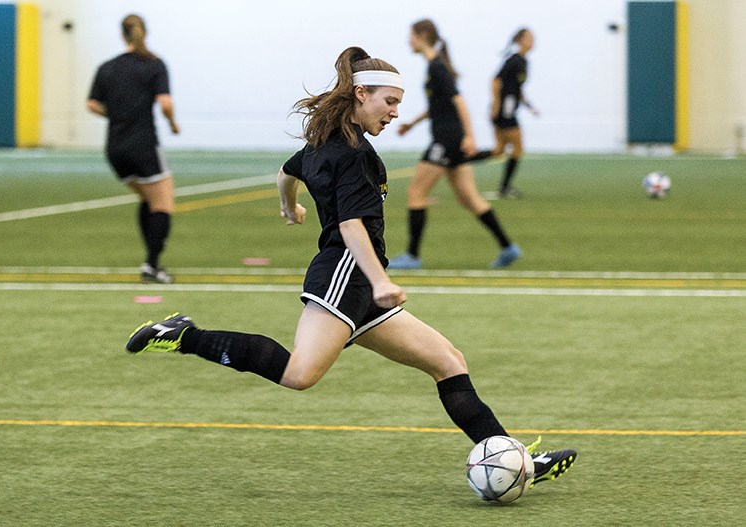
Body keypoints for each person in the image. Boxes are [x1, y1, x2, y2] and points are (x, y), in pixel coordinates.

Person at [125, 46, 576, 490]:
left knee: (447, 361)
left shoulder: (327, 142)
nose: (396, 113)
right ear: (361, 95)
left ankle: (514, 459)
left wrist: (290, 206)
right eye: (390, 102)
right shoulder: (354, 154)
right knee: (300, 373)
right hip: (346, 271)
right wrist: (381, 280)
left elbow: (286, 171)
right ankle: (184, 335)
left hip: (358, 278)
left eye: (399, 104)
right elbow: (350, 223)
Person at [386, 19, 520, 270]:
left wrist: (469, 136)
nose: (408, 41)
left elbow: (459, 102)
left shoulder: (437, 66)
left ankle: (412, 256)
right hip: (450, 138)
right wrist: (413, 123)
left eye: (411, 36)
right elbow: (439, 106)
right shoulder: (435, 66)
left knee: (416, 193)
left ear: (422, 35)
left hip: (446, 140)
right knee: (469, 198)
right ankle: (508, 247)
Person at [86, 14, 179, 284]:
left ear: (122, 35)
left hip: (115, 148)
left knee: (148, 200)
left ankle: (151, 261)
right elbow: (165, 103)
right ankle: (152, 265)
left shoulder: (107, 67)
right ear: (144, 32)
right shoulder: (154, 64)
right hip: (143, 144)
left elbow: (92, 104)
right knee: (163, 202)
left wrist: (117, 115)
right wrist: (173, 124)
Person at [472, 28, 538, 199]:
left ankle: (459, 161)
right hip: (504, 112)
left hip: (508, 111)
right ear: (520, 40)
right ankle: (505, 188)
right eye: (530, 37)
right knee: (517, 148)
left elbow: (517, 88)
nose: (533, 40)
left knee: (499, 150)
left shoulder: (524, 62)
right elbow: (495, 80)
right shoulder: (514, 60)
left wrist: (529, 106)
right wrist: (496, 105)